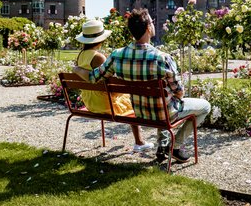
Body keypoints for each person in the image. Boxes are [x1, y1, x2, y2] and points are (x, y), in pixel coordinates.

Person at [73, 9, 211, 163]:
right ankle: (175, 146)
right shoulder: (162, 58)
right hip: (163, 113)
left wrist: (77, 69)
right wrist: (177, 95)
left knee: (161, 101)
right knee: (204, 106)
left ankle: (163, 145)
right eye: (152, 22)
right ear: (148, 28)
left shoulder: (116, 56)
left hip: (138, 113)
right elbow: (179, 91)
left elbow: (93, 77)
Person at [74, 19, 153, 152]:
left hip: (89, 101)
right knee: (131, 100)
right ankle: (139, 142)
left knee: (127, 97)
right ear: (101, 39)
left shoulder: (81, 55)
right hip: (104, 103)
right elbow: (110, 84)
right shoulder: (98, 57)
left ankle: (139, 141)